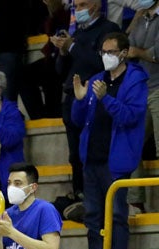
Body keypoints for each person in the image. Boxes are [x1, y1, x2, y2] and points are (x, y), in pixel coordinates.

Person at [72, 30, 148, 249]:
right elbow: (77, 120)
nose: (106, 56)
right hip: (91, 160)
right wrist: (80, 100)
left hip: (116, 161)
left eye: (111, 52)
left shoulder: (135, 80)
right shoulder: (97, 78)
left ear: (124, 53)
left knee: (116, 215)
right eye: (103, 52)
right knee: (93, 218)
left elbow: (130, 116)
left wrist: (105, 98)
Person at [55, 0, 120, 213]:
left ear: (95, 5)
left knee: (94, 151)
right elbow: (61, 70)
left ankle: (98, 198)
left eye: (83, 4)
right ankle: (79, 195)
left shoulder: (108, 29)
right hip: (72, 98)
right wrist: (63, 52)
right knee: (75, 153)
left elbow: (101, 63)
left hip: (96, 97)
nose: (78, 9)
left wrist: (72, 47)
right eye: (76, 4)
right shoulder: (78, 33)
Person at [127, 0, 159, 156]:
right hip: (142, 90)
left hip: (158, 89)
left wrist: (137, 52)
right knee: (130, 147)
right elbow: (127, 50)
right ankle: (136, 182)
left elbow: (157, 53)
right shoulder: (140, 18)